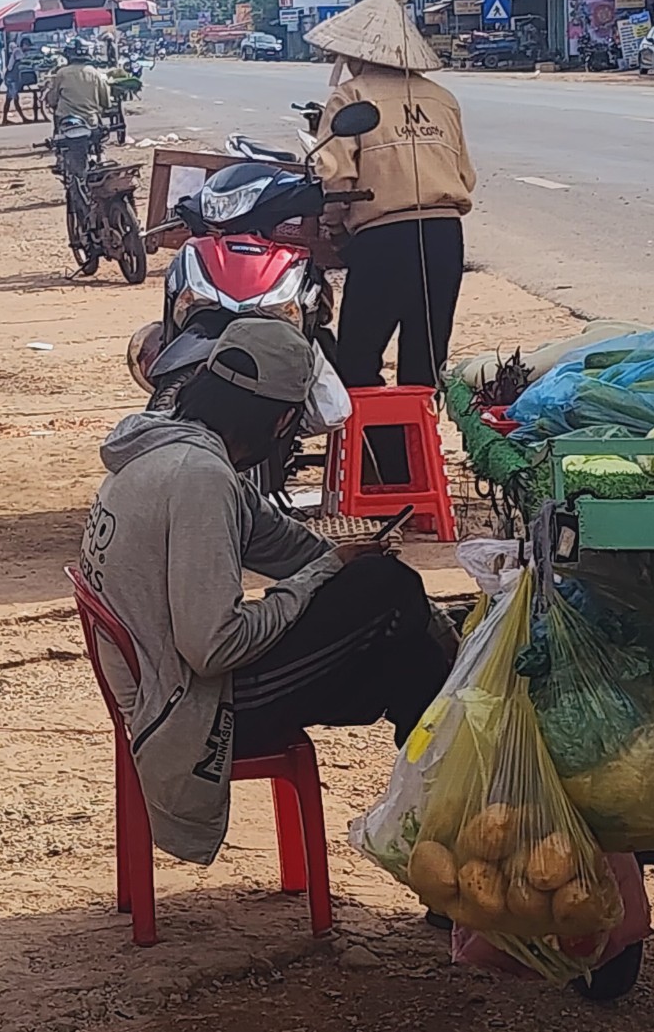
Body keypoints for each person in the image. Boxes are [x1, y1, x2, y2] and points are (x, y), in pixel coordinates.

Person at [80, 319, 457, 865]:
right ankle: (450, 838)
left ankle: (444, 839)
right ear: (281, 420)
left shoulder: (166, 447)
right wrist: (326, 576)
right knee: (390, 590)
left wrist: (338, 562)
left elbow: (283, 543)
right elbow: (214, 647)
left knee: (409, 657)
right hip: (189, 709)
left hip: (167, 684)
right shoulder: (199, 478)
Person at [312, 51, 475, 394]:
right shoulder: (442, 98)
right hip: (444, 236)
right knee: (426, 360)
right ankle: (416, 443)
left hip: (384, 238)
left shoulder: (351, 95)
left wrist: (335, 230)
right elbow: (465, 175)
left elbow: (337, 181)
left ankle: (379, 447)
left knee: (357, 360)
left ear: (353, 55)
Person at [44, 50, 115, 129]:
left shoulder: (61, 73)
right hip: (89, 118)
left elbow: (52, 100)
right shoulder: (95, 73)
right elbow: (106, 101)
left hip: (65, 118)